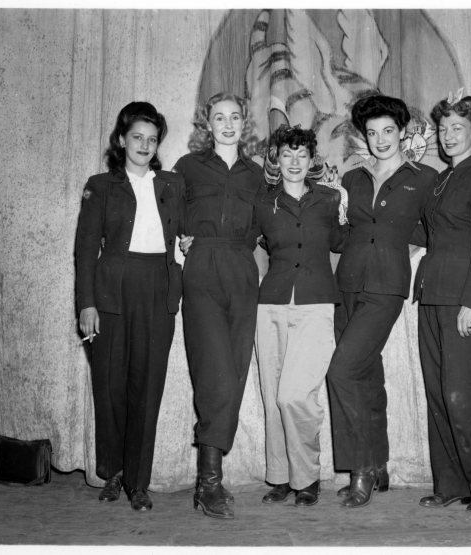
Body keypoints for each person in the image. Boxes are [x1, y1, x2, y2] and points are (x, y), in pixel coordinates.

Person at [326, 95, 438, 509]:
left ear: (402, 131)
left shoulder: (422, 178)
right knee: (366, 376)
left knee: (341, 370)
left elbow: (436, 230)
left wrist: (401, 246)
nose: (380, 140)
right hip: (347, 283)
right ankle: (379, 464)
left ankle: (361, 470)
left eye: (388, 131)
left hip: (386, 287)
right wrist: (330, 211)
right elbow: (340, 238)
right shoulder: (352, 179)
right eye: (372, 133)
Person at [75, 101, 184, 511]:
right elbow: (86, 251)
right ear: (121, 141)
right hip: (111, 292)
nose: (144, 144)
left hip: (158, 289)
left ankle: (139, 481)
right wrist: (87, 303)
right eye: (136, 137)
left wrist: (187, 244)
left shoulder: (173, 184)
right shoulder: (101, 186)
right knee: (110, 386)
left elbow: (186, 231)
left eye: (152, 139)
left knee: (147, 386)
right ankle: (113, 472)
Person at [411, 93, 471, 513]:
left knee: (463, 396)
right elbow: (425, 234)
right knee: (437, 394)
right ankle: (451, 483)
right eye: (443, 129)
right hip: (431, 297)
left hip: (464, 302)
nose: (448, 136)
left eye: (457, 129)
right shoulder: (439, 180)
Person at [173, 92, 263, 520]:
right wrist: (180, 245)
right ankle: (208, 482)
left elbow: (265, 228)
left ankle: (210, 478)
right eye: (218, 117)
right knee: (217, 378)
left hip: (243, 273)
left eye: (235, 117)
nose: (227, 124)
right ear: (206, 124)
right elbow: (166, 218)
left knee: (237, 375)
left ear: (245, 123)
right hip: (203, 270)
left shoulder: (258, 175)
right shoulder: (188, 168)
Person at [254, 125, 348, 507]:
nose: (294, 162)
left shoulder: (328, 199)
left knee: (295, 395)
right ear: (277, 159)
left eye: (302, 155)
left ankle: (307, 477)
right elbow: (245, 243)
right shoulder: (263, 203)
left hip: (315, 303)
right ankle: (280, 477)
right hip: (270, 303)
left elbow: (342, 244)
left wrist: (343, 208)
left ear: (312, 160)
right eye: (287, 155)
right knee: (272, 394)